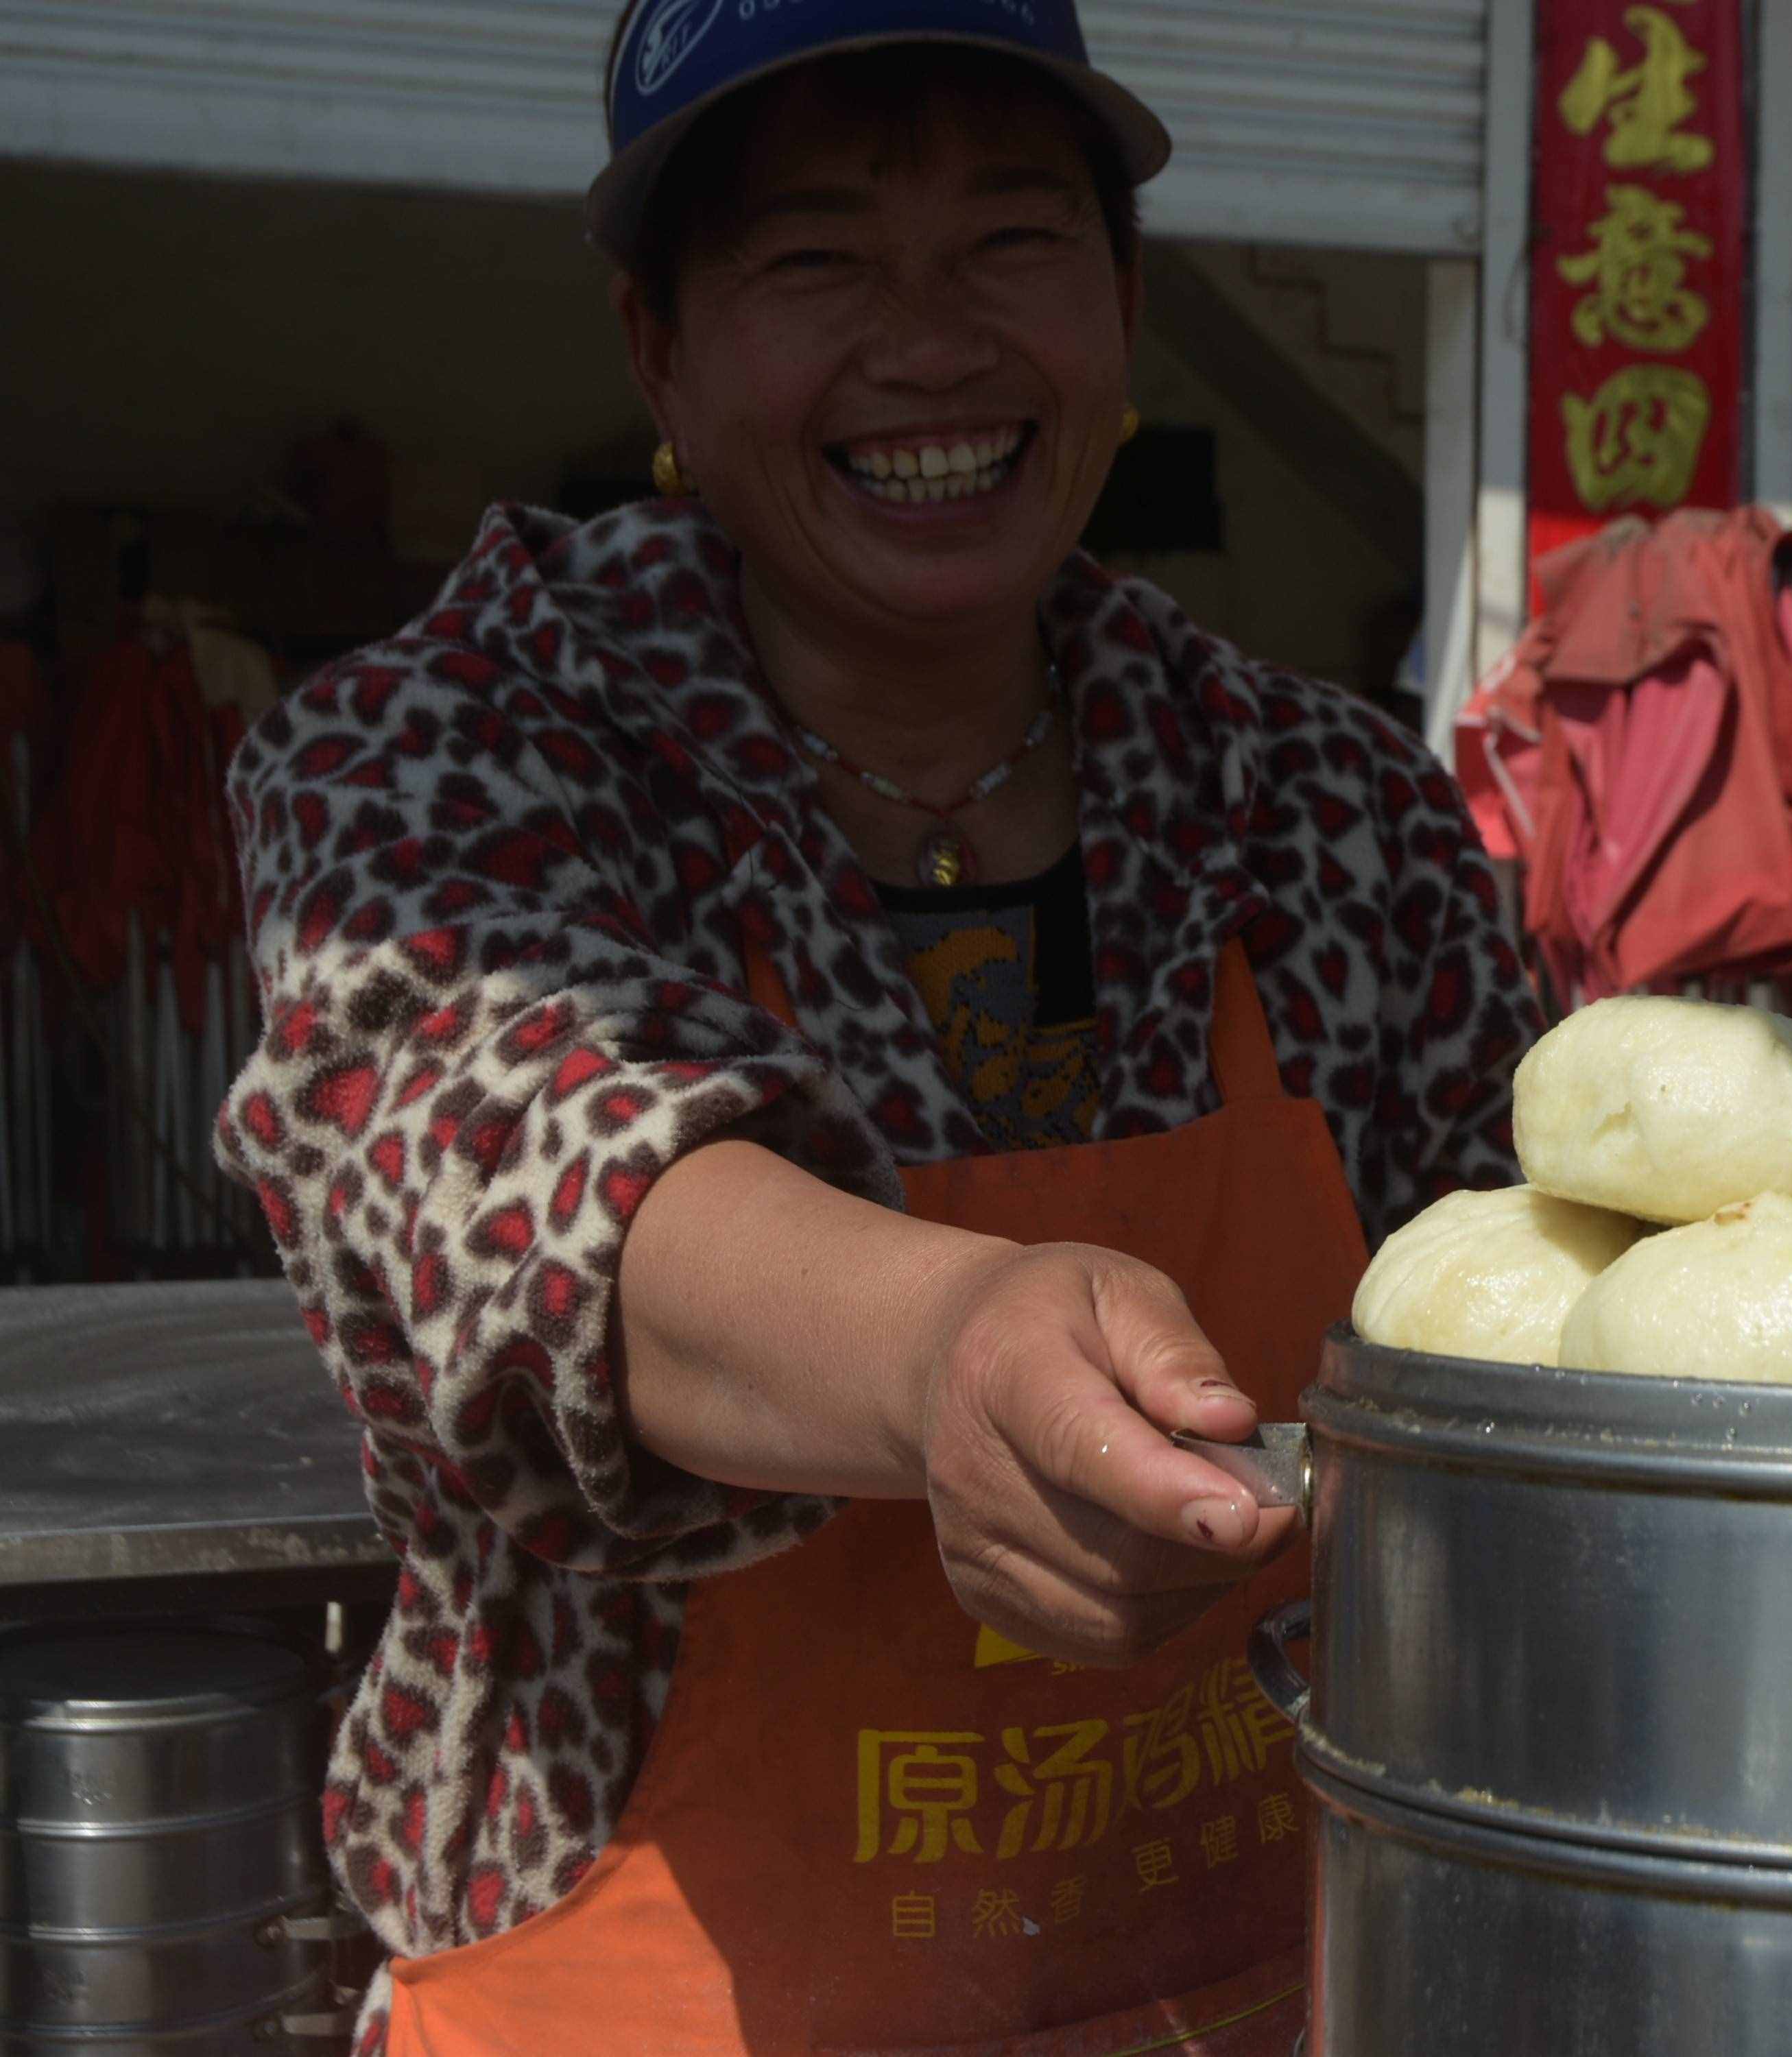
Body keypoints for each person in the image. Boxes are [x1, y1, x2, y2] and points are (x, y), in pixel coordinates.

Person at [213, 5, 1538, 2049]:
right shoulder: (445, 750)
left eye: (1011, 242)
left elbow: (1534, 1333)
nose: (930, 347)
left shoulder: (1326, 809)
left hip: (1254, 1993)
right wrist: (947, 1355)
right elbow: (526, 1170)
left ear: (1122, 305)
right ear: (659, 347)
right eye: (816, 260)